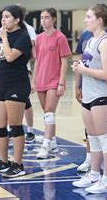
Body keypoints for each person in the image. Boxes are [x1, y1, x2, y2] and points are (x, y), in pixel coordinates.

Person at [71, 4, 107, 194]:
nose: (85, 20)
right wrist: (80, 68)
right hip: (89, 95)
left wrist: (84, 70)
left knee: (105, 139)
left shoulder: (106, 42)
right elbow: (89, 65)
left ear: (100, 20)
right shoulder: (90, 40)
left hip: (102, 95)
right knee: (93, 138)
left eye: (89, 16)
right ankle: (94, 174)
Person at [0, 5, 32, 178]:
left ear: (17, 20)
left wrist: (4, 38)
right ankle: (4, 161)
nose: (3, 20)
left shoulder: (23, 37)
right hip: (1, 85)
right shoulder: (0, 36)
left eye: (7, 17)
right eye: (2, 16)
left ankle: (18, 164)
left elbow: (10, 57)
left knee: (15, 125)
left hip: (16, 85)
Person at [32, 8, 72, 159]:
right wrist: (33, 81)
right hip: (41, 79)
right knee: (48, 114)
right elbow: (37, 61)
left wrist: (61, 82)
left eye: (47, 17)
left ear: (54, 19)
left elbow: (64, 61)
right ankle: (53, 142)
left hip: (54, 80)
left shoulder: (60, 37)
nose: (43, 20)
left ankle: (45, 145)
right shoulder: (39, 38)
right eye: (42, 18)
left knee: (49, 111)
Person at [18, 4, 36, 143]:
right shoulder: (5, 30)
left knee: (25, 101)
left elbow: (33, 53)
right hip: (9, 71)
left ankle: (30, 130)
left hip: (24, 69)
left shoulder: (29, 30)